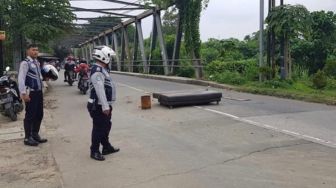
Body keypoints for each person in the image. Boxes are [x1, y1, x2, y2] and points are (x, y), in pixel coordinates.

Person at [87, 46, 119, 161]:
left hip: (102, 104)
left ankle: (106, 147)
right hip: (98, 105)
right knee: (99, 128)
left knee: (106, 126)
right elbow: (99, 90)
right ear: (103, 56)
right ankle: (94, 151)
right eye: (109, 56)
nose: (110, 59)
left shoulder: (102, 69)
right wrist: (105, 106)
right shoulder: (97, 71)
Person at [18, 44, 47, 146]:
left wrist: (45, 80)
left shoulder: (37, 63)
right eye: (33, 50)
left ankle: (35, 134)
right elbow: (21, 78)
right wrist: (23, 93)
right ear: (28, 51)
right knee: (30, 115)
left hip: (38, 92)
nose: (35, 52)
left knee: (39, 114)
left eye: (37, 50)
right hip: (31, 92)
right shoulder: (25, 63)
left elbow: (38, 77)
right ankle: (27, 138)